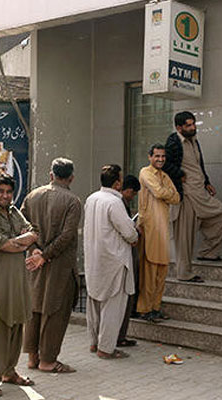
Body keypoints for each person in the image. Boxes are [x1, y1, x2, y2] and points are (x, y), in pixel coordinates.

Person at [0, 173, 37, 397]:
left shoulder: (13, 211)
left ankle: (9, 372)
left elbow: (33, 230)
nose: (5, 195)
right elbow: (4, 245)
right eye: (0, 191)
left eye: (9, 191)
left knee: (16, 326)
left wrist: (23, 239)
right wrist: (25, 240)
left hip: (18, 279)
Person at [22, 158, 81, 373]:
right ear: (71, 177)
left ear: (51, 175)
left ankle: (32, 357)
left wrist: (34, 250)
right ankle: (48, 360)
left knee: (35, 308)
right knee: (55, 311)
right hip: (59, 265)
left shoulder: (32, 196)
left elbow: (22, 226)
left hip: (35, 262)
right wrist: (45, 255)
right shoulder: (73, 201)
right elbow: (67, 236)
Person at [163, 111, 222, 283]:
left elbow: (198, 165)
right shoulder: (173, 142)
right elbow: (164, 164)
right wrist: (179, 174)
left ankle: (208, 252)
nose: (193, 127)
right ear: (179, 127)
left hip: (200, 192)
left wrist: (207, 182)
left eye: (193, 124)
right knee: (184, 237)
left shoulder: (194, 140)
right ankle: (184, 273)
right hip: (185, 195)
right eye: (188, 125)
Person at [84, 165, 139, 360]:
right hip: (114, 260)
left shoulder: (91, 199)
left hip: (94, 258)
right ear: (117, 183)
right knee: (112, 306)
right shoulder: (115, 202)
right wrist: (135, 233)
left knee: (95, 303)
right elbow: (129, 232)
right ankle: (106, 348)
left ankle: (94, 343)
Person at [136, 145, 180, 323]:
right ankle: (144, 309)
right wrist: (166, 192)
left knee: (161, 271)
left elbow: (176, 198)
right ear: (150, 157)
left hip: (163, 230)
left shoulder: (164, 176)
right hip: (150, 228)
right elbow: (159, 191)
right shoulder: (145, 173)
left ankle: (155, 307)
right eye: (157, 156)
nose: (161, 159)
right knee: (149, 271)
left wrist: (165, 192)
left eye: (163, 156)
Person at [117, 174, 141, 346]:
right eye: (133, 194)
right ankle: (119, 338)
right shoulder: (118, 204)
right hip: (122, 256)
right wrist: (136, 231)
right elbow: (128, 232)